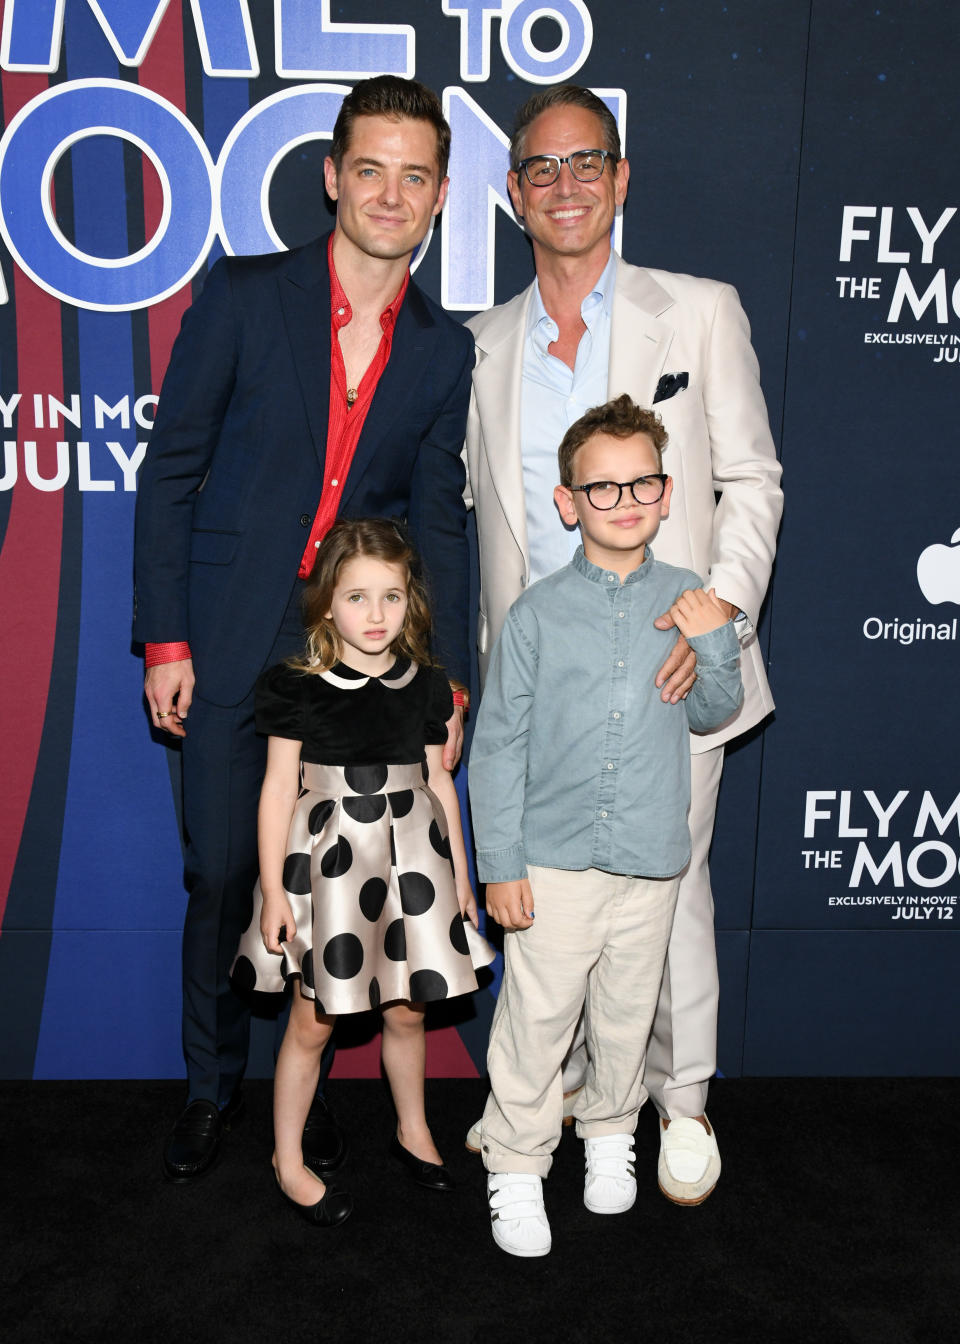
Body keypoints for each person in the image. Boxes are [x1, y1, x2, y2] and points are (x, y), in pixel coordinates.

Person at [133, 76, 474, 1183]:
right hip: (230, 629)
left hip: (358, 650)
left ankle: (304, 1093)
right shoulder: (242, 297)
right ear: (332, 176)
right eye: (369, 168)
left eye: (414, 174)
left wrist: (445, 677)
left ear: (439, 196)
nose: (390, 192)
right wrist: (168, 638)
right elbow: (171, 471)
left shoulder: (440, 348)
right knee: (226, 871)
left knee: (338, 881)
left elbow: (435, 522)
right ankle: (208, 1089)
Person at [464, 85, 783, 1204]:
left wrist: (718, 619)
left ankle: (677, 1103)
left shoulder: (696, 311)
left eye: (587, 162)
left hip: (666, 666)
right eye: (542, 169)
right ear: (513, 194)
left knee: (669, 892)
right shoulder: (484, 343)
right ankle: (536, 1113)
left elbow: (752, 479)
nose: (566, 185)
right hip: (541, 682)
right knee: (547, 915)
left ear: (622, 177)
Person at [469, 395, 743, 1256]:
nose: (624, 502)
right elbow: (498, 743)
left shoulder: (691, 596)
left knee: (627, 1015)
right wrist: (501, 862)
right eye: (602, 489)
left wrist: (718, 641)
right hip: (550, 861)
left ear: (667, 494)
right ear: (566, 502)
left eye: (642, 485)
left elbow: (714, 712)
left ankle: (611, 1140)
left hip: (651, 857)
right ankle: (515, 1168)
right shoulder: (538, 614)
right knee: (537, 1019)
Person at [231, 519, 479, 1225]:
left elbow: (439, 781)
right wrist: (275, 892)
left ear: (412, 603)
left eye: (392, 597)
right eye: (358, 597)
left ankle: (413, 1129)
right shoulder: (294, 686)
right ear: (326, 604)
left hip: (414, 859)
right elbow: (279, 789)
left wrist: (460, 878)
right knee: (313, 1022)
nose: (376, 616)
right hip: (330, 868)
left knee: (410, 1008)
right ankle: (287, 1158)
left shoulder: (431, 686)